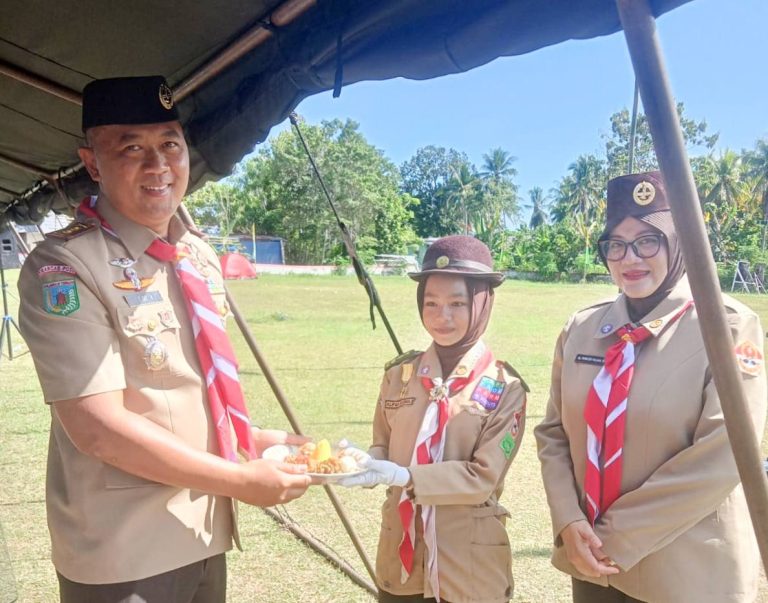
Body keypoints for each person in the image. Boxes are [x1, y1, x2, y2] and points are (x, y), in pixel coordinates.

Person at [17, 76, 312, 602]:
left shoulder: (194, 255)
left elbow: (184, 395)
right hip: (125, 549)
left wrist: (255, 441)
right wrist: (241, 481)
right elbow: (97, 428)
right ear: (92, 163)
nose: (158, 165)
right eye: (132, 147)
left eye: (169, 144)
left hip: (201, 528)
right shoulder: (64, 265)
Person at [535, 171, 767, 603]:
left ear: (679, 242)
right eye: (616, 244)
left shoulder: (726, 327)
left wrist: (613, 538)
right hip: (593, 563)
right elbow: (553, 434)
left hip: (687, 571)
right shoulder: (583, 328)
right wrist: (568, 520)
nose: (629, 258)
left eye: (648, 240)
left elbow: (727, 452)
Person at [339, 235, 528, 603]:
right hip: (401, 558)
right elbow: (384, 442)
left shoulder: (506, 388)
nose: (442, 317)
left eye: (458, 303)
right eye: (431, 303)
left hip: (468, 566)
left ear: (483, 303)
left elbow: (482, 479)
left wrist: (406, 476)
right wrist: (367, 461)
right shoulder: (400, 374)